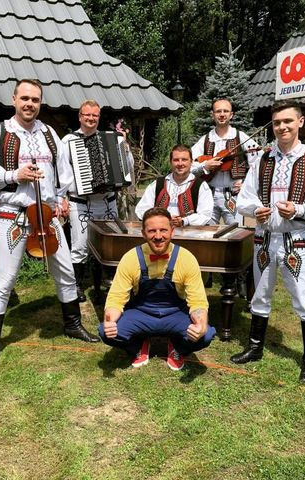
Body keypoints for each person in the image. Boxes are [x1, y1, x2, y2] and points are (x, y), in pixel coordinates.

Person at [0, 79, 99, 367]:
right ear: (14, 100)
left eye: (35, 100)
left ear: (40, 103)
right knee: (4, 280)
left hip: (47, 215)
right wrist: (13, 175)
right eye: (25, 98)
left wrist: (63, 197)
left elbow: (63, 172)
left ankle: (72, 324)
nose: (30, 104)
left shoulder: (49, 133)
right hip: (14, 215)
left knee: (65, 270)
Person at [230, 101, 305, 383]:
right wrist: (256, 210)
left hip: (295, 241)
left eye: (288, 121)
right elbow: (244, 198)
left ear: (300, 122)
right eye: (277, 122)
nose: (282, 127)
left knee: (302, 299)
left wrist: (298, 209)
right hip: (264, 238)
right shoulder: (263, 159)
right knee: (260, 295)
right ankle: (255, 348)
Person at [99, 207, 216, 370]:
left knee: (205, 335)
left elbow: (198, 301)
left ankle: (178, 347)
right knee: (106, 332)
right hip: (141, 313)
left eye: (163, 230)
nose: (158, 236)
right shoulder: (131, 258)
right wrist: (110, 321)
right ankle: (138, 345)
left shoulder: (187, 258)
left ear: (172, 231)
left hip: (175, 313)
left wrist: (200, 325)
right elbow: (116, 298)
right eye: (152, 231)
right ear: (143, 234)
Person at [60, 100, 133, 303]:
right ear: (80, 116)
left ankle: (109, 282)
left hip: (108, 201)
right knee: (80, 246)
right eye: (87, 115)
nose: (91, 118)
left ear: (99, 117)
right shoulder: (69, 141)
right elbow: (61, 172)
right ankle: (76, 285)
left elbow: (127, 169)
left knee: (109, 244)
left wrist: (125, 149)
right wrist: (62, 197)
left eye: (95, 115)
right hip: (80, 202)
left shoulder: (112, 139)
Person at [191, 98, 259, 225]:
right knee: (206, 231)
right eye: (218, 111)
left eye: (225, 111)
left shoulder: (240, 136)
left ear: (231, 115)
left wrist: (247, 184)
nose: (222, 114)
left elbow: (258, 162)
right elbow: (189, 163)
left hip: (233, 194)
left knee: (236, 231)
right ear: (212, 115)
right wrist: (205, 165)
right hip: (209, 194)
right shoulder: (205, 139)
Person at [135, 144, 213, 226]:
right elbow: (141, 209)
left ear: (191, 162)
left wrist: (184, 221)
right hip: (160, 231)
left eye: (184, 160)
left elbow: (205, 215)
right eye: (176, 160)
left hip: (189, 232)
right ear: (170, 162)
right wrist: (162, 218)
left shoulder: (201, 186)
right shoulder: (158, 184)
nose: (180, 163)